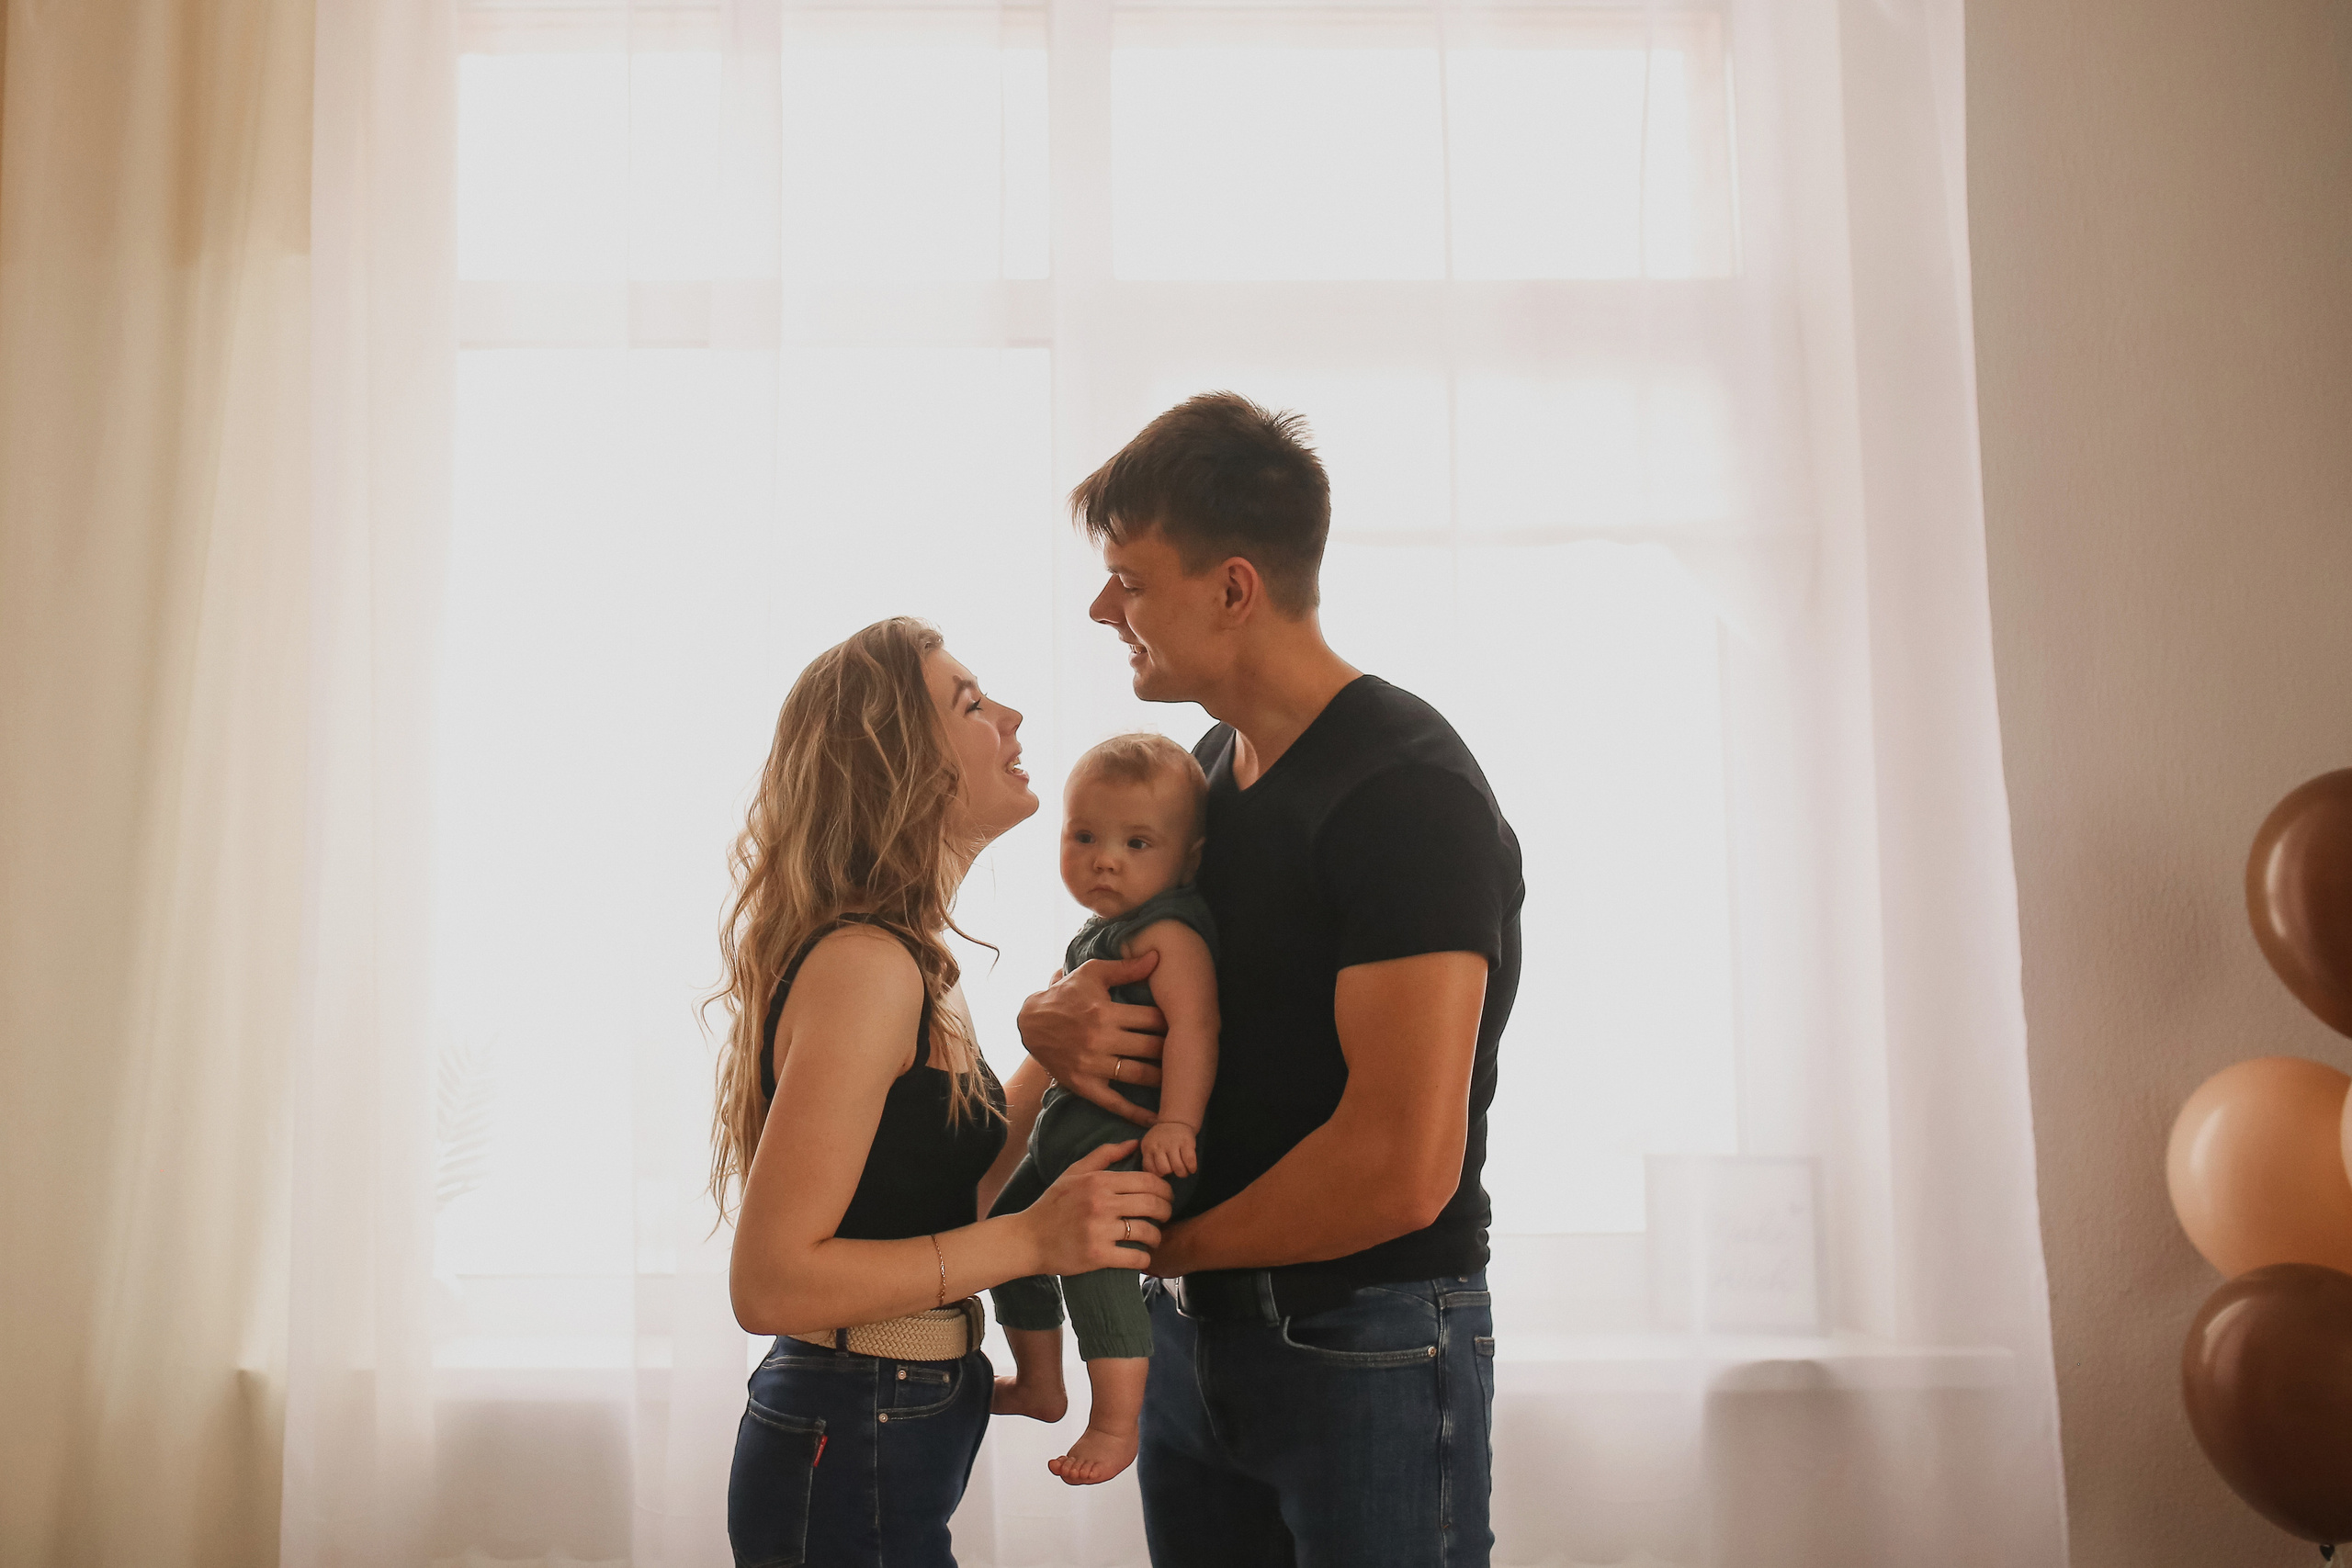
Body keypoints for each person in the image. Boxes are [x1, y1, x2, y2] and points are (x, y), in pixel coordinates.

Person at [1016, 394, 1525, 1568]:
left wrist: (1159, 1252)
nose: (1104, 610)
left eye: (1129, 582)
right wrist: (1049, 1020)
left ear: (1233, 588)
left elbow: (1400, 1168)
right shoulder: (1205, 775)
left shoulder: (1405, 796)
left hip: (1364, 1346)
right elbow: (1136, 993)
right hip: (1195, 1346)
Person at [711, 617, 1175, 1568]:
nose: (1009, 717)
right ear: (899, 763)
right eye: (969, 703)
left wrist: (1055, 1035)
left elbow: (936, 1196)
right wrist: (1038, 1238)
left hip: (894, 1407)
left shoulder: (911, 964)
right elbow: (770, 1284)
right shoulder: (867, 968)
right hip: (853, 1414)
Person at [986, 733, 1222, 1485]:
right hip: (1067, 1143)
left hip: (1129, 1146)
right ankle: (1039, 1380)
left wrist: (1176, 1122)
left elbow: (1196, 1026)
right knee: (1004, 1239)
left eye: (1136, 842)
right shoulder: (1099, 933)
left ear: (1187, 858)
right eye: (1083, 835)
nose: (1105, 858)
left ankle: (1116, 1422)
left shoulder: (1169, 931)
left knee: (1097, 1268)